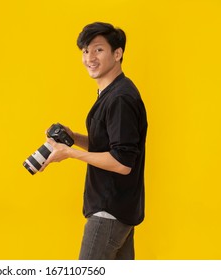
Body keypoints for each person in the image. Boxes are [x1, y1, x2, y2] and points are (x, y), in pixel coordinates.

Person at [40, 22, 148, 260]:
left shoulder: (120, 98)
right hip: (119, 211)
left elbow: (122, 162)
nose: (89, 57)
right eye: (85, 51)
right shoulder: (113, 93)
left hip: (108, 212)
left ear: (117, 54)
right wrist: (74, 138)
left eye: (98, 50)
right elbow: (111, 147)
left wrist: (69, 153)